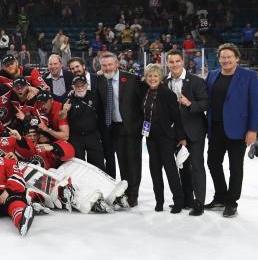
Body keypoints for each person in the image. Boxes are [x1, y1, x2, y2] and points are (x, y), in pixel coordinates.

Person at [205, 43, 258, 218]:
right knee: (213, 163)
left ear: (237, 58)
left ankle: (231, 202)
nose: (226, 60)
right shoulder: (213, 75)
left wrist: (252, 129)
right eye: (223, 57)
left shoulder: (249, 76)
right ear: (219, 59)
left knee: (235, 167)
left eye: (230, 57)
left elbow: (256, 105)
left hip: (239, 130)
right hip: (215, 128)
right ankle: (221, 197)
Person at [96, 52, 143, 207]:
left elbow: (141, 102)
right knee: (122, 161)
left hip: (131, 127)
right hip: (113, 128)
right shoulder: (100, 80)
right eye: (104, 65)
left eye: (110, 64)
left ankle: (133, 195)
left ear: (117, 64)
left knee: (133, 161)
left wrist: (140, 125)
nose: (107, 68)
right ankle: (125, 191)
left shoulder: (131, 79)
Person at [165, 49, 208, 216]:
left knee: (196, 166)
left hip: (194, 131)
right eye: (171, 62)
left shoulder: (196, 81)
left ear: (182, 62)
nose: (174, 64)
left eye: (177, 61)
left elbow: (205, 104)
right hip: (175, 132)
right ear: (167, 63)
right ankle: (187, 199)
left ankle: (199, 202)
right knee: (182, 166)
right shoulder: (164, 81)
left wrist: (190, 104)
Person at [142, 64, 187, 214]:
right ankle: (159, 201)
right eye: (150, 76)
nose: (152, 78)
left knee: (170, 170)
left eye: (155, 76)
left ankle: (178, 201)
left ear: (160, 77)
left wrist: (181, 137)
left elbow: (177, 117)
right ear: (146, 77)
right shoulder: (145, 91)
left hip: (166, 137)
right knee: (154, 170)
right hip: (151, 138)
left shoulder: (167, 93)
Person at [64, 76, 104, 170]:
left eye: (82, 85)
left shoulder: (95, 96)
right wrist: (65, 110)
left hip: (92, 136)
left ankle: (98, 184)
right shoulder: (68, 98)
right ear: (73, 87)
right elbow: (61, 116)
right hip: (75, 138)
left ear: (87, 85)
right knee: (78, 166)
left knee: (98, 166)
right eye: (77, 86)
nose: (80, 88)